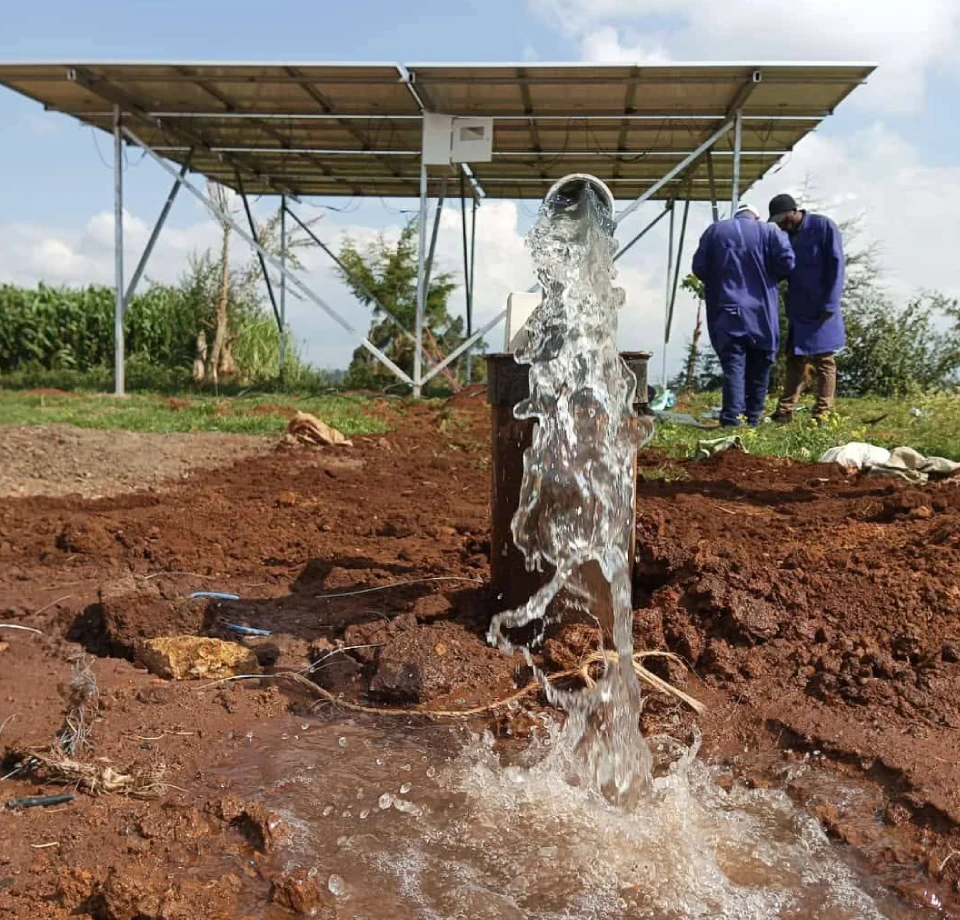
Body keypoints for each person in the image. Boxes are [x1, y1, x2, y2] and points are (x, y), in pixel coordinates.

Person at [692, 202, 795, 427]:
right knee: (760, 363)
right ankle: (753, 418)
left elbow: (699, 267)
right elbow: (787, 263)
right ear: (755, 217)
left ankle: (731, 418)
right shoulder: (770, 232)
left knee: (733, 365)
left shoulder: (715, 231)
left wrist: (720, 281)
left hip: (727, 308)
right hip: (761, 311)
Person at [767, 193, 845, 422]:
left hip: (822, 307)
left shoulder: (823, 227)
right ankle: (784, 411)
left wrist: (830, 302)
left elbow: (837, 265)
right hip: (799, 308)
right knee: (794, 358)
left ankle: (823, 413)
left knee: (825, 361)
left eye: (783, 218)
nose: (782, 223)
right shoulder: (785, 236)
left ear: (794, 211)